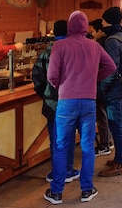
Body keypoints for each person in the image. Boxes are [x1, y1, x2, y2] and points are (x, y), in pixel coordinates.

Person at [45, 11, 116, 204]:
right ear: (85, 27)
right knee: (87, 147)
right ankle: (86, 189)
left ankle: (57, 192)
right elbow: (111, 67)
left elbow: (51, 75)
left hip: (66, 102)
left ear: (69, 26)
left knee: (61, 146)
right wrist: (94, 79)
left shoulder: (60, 45)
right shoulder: (94, 46)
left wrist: (60, 84)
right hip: (88, 102)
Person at [31, 20, 80, 185]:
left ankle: (58, 172)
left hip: (53, 103)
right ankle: (69, 170)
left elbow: (37, 78)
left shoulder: (46, 53)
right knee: (70, 137)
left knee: (57, 139)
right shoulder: (76, 51)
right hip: (73, 101)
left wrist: (46, 95)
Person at [97, 6, 122, 177]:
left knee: (116, 125)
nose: (101, 23)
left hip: (114, 90)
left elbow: (111, 69)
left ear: (108, 21)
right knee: (121, 123)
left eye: (103, 20)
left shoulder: (111, 41)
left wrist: (101, 88)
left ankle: (120, 162)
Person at [88, 19, 113, 157]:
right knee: (104, 114)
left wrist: (96, 77)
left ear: (99, 31)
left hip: (99, 85)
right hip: (107, 85)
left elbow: (107, 66)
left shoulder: (99, 45)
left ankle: (104, 145)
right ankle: (108, 141)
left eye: (92, 32)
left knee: (101, 114)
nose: (91, 35)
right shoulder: (108, 42)